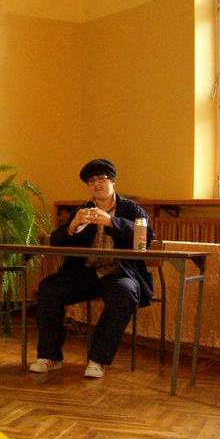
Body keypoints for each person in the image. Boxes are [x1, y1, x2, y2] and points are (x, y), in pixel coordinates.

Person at [30, 158, 154, 379]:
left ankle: (98, 359)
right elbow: (56, 242)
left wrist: (111, 222)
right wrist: (71, 226)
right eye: (91, 181)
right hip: (85, 274)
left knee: (124, 294)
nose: (96, 184)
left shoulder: (131, 209)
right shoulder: (82, 210)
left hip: (119, 273)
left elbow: (147, 238)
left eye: (101, 178)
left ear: (112, 181)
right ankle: (50, 356)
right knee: (48, 288)